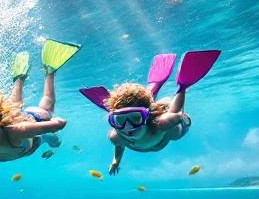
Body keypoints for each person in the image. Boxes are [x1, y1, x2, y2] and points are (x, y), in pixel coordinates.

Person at [79, 50, 220, 174]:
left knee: (176, 130)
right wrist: (116, 161)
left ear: (145, 117)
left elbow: (176, 112)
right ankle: (151, 91)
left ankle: (178, 86)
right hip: (153, 135)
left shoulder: (162, 123)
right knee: (136, 107)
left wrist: (183, 88)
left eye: (135, 118)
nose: (128, 127)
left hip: (166, 130)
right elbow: (119, 145)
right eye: (120, 120)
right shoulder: (116, 136)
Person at [0, 38, 80, 169]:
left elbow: (60, 124)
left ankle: (49, 71)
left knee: (46, 111)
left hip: (33, 119)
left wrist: (56, 122)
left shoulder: (17, 131)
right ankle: (20, 77)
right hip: (19, 128)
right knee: (12, 109)